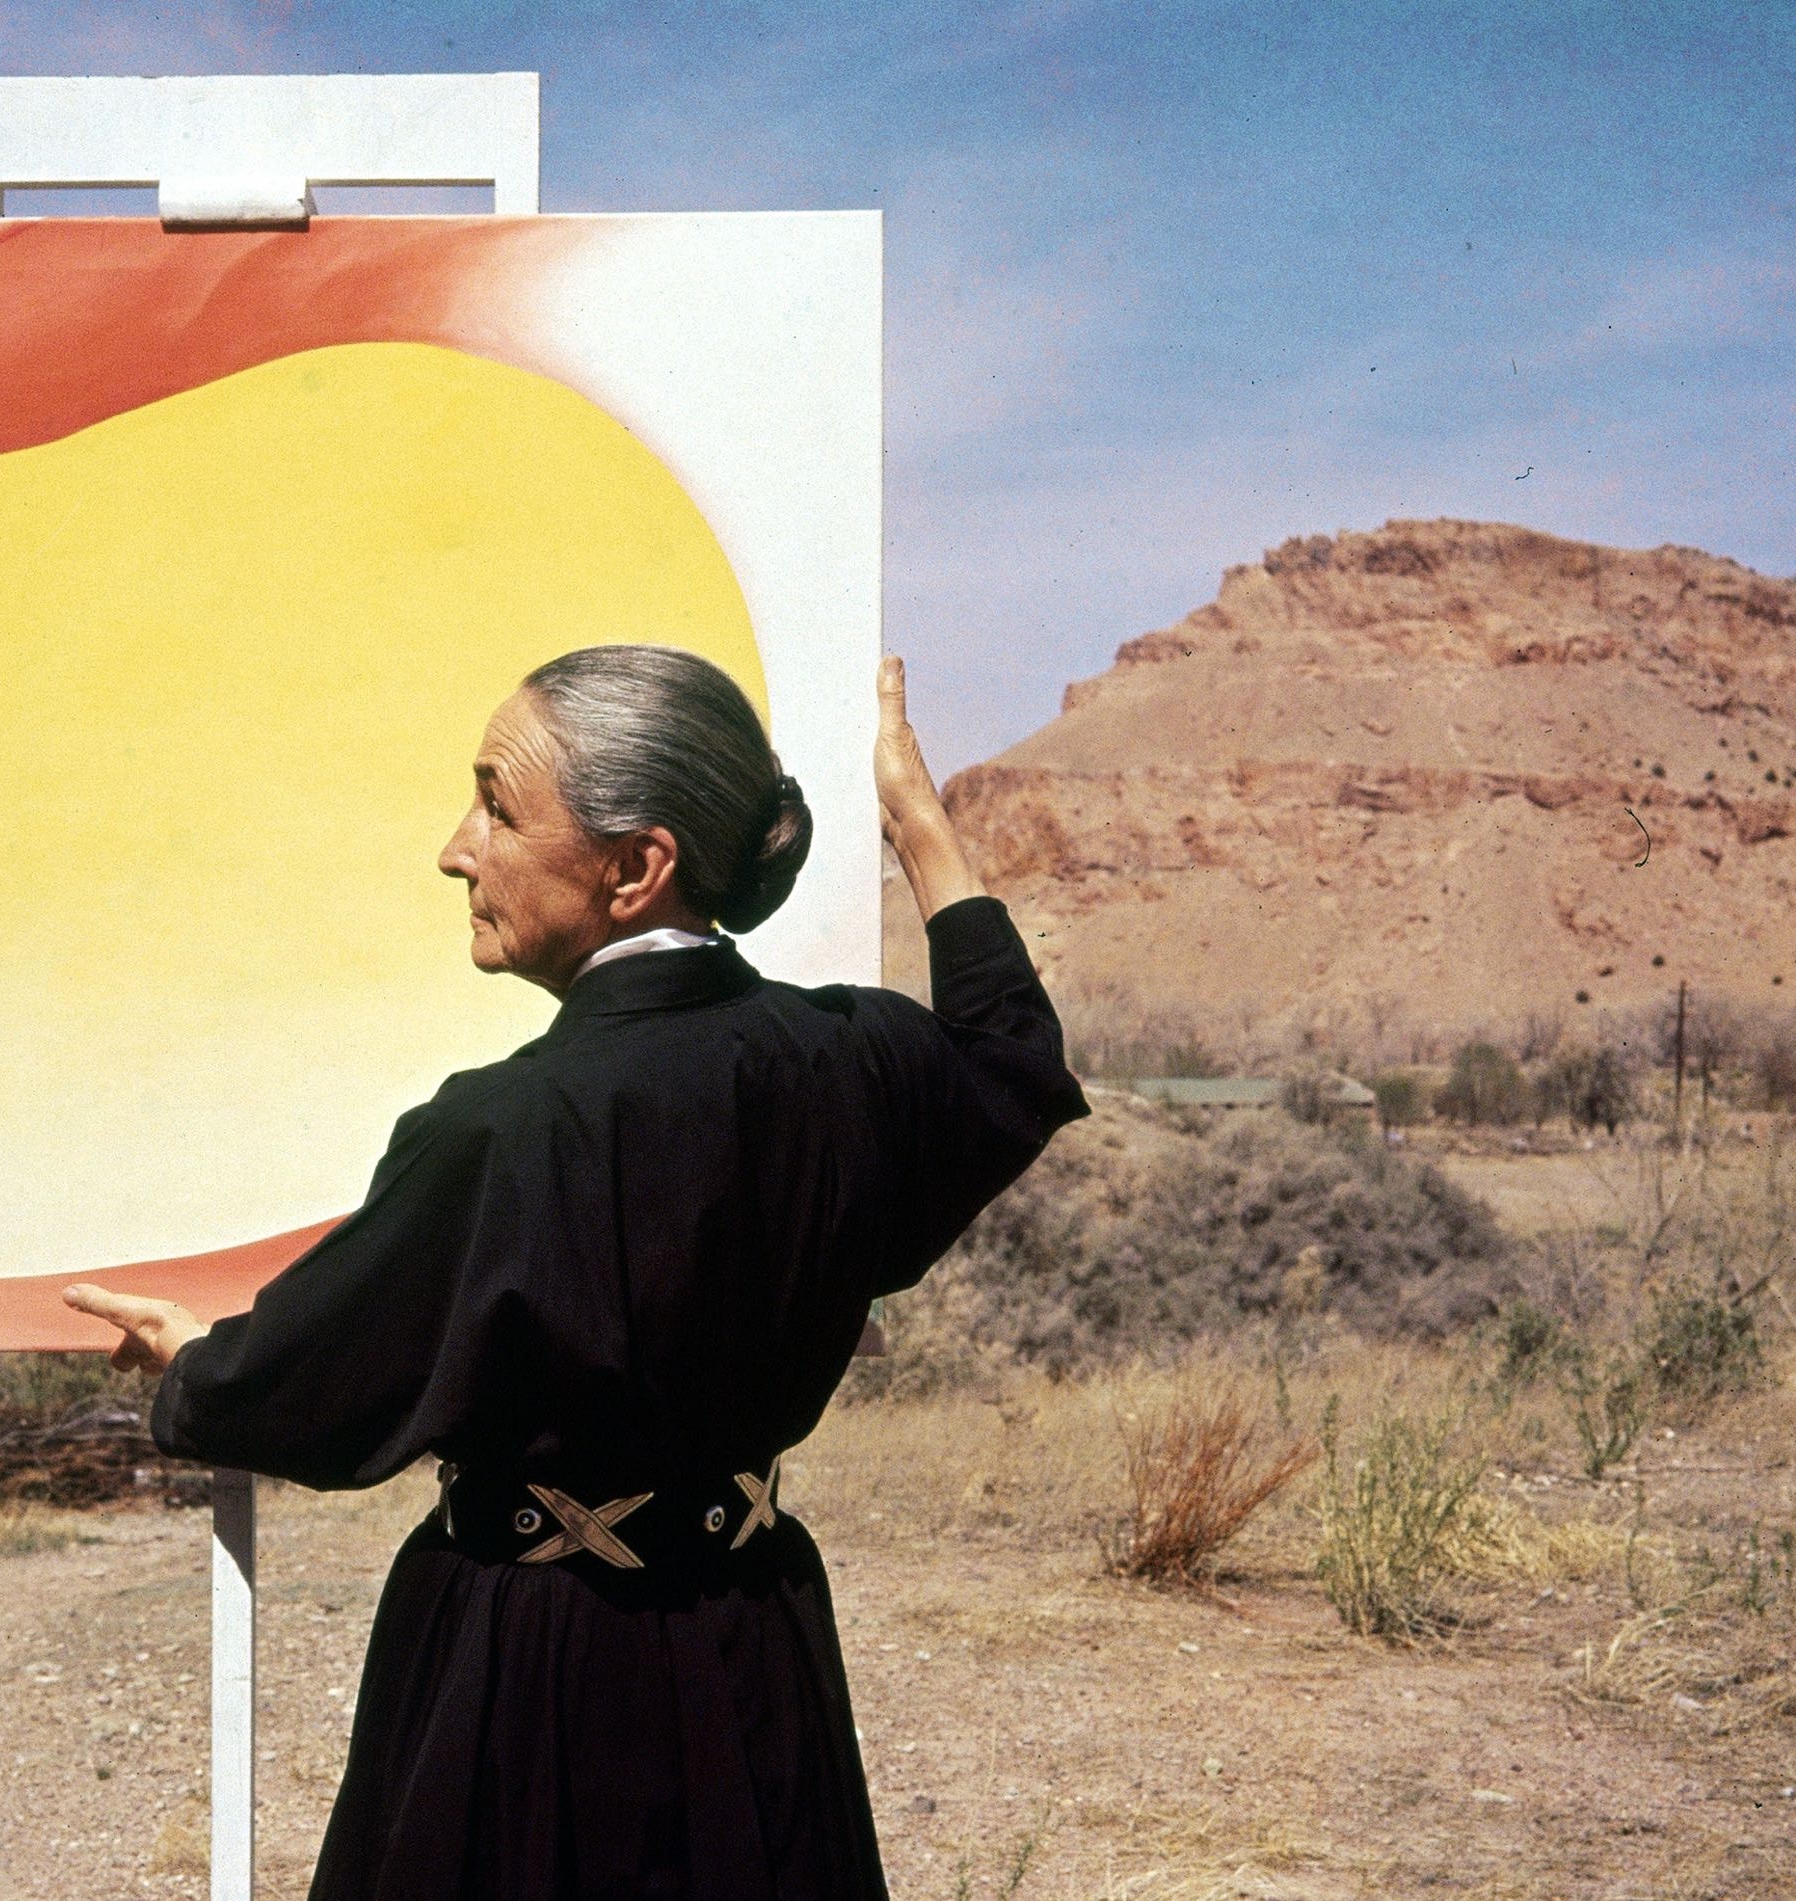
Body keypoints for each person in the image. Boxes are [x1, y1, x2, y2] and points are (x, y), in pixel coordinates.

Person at [66, 646, 1090, 1900]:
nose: (457, 849)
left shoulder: (502, 1128)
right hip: (758, 1648)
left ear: (636, 867)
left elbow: (309, 1388)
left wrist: (194, 1364)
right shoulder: (853, 1058)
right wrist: (917, 819)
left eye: (499, 807)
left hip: (532, 1678)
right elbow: (1013, 1057)